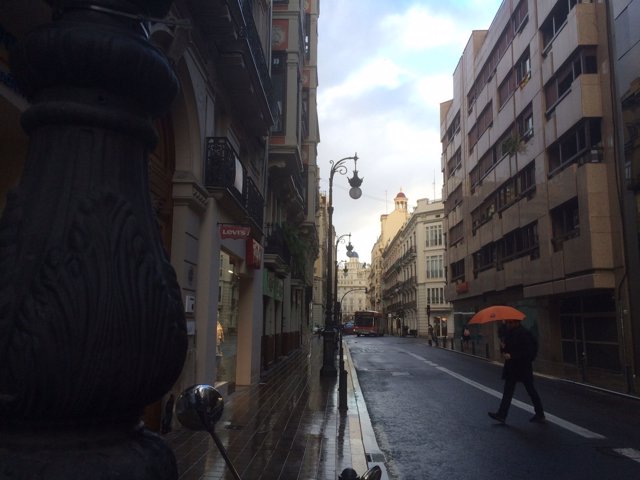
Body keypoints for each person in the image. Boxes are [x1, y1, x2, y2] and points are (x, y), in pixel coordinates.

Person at [488, 320, 545, 424]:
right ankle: (502, 414)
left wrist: (512, 355)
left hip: (523, 367)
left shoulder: (525, 333)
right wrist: (503, 348)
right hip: (512, 367)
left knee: (530, 390)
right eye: (508, 323)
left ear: (516, 323)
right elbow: (507, 349)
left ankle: (540, 413)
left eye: (510, 322)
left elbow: (528, 351)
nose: (508, 324)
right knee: (508, 391)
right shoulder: (509, 333)